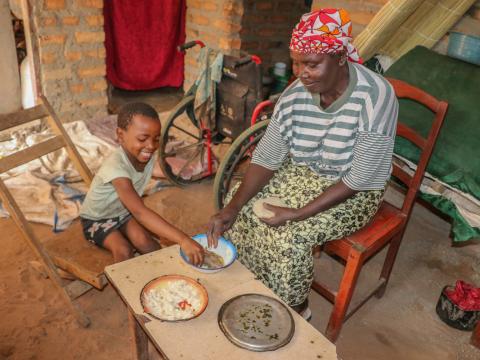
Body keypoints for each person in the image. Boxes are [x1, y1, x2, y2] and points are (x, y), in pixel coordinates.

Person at [207, 8, 398, 319]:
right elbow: (268, 155)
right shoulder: (296, 95)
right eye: (296, 62)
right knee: (240, 204)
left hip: (357, 188)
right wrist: (232, 207)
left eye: (311, 64)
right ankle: (253, 286)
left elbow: (361, 175)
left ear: (340, 57)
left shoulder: (376, 96)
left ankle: (295, 309)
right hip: (305, 172)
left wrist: (297, 213)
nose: (301, 72)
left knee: (291, 233)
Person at [80, 102, 204, 264]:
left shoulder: (144, 156)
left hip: (123, 213)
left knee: (146, 242)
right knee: (124, 250)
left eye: (156, 139)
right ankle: (126, 286)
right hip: (96, 220)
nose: (151, 146)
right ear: (120, 135)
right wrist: (183, 240)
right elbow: (140, 212)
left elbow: (159, 170)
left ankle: (163, 276)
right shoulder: (116, 169)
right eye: (142, 138)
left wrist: (186, 172)